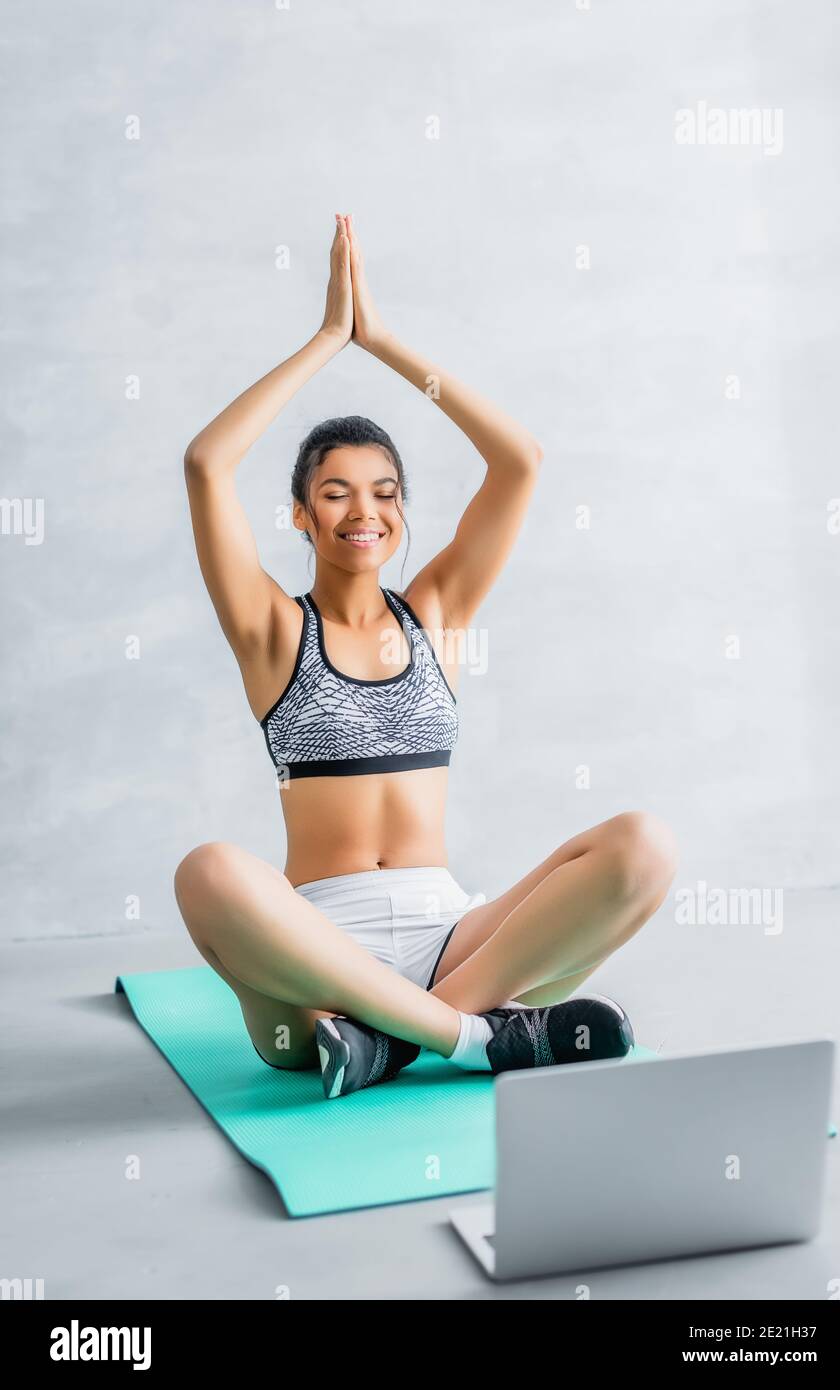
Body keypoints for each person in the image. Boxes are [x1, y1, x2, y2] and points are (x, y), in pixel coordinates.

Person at [174, 212, 678, 1099]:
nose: (362, 510)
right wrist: (329, 338)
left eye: (384, 492)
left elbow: (517, 459)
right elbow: (207, 463)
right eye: (334, 492)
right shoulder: (271, 631)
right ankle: (473, 1039)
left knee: (643, 847)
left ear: (402, 510)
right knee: (208, 871)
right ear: (299, 514)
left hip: (457, 942)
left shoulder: (436, 613)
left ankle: (402, 1041)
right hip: (318, 963)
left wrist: (387, 341)